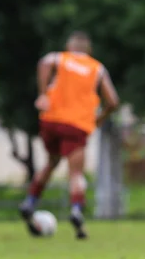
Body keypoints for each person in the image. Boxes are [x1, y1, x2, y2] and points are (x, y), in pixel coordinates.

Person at [19, 31, 119, 239]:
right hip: (77, 124)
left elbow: (44, 62)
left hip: (51, 120)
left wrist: (43, 94)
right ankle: (75, 211)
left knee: (51, 162)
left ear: (69, 46)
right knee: (75, 173)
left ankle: (30, 201)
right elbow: (113, 101)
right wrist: (98, 120)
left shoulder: (60, 58)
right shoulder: (96, 68)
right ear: (88, 50)